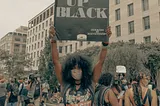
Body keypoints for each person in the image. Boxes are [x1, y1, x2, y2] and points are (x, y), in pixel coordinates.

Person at [49, 25, 112, 106]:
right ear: (69, 70)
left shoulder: (91, 83)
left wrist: (105, 43)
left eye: (79, 68)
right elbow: (56, 62)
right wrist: (53, 40)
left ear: (84, 70)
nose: (76, 71)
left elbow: (100, 62)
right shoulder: (65, 84)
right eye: (73, 68)